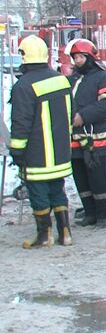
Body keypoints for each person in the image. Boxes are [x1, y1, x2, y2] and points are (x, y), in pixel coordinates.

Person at [9, 35, 74, 248]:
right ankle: (65, 233)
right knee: (58, 190)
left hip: (37, 154)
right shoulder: (60, 79)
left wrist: (17, 151)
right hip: (61, 152)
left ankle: (44, 236)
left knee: (38, 193)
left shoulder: (24, 86)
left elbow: (21, 123)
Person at [65, 39, 106, 229]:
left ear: (90, 57)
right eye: (75, 57)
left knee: (97, 177)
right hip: (74, 138)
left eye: (81, 56)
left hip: (96, 139)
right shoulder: (71, 80)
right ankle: (89, 212)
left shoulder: (104, 79)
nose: (78, 61)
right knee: (80, 177)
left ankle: (104, 214)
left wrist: (83, 116)